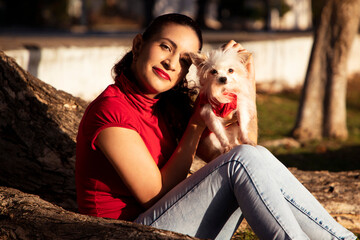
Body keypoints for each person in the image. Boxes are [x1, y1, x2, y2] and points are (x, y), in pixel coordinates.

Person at [75, 13, 356, 240]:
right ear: (138, 45)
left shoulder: (167, 107)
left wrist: (244, 84)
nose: (171, 63)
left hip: (167, 226)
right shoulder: (110, 109)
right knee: (240, 162)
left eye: (185, 59)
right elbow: (153, 196)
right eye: (165, 46)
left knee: (250, 158)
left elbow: (246, 154)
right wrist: (197, 123)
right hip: (125, 233)